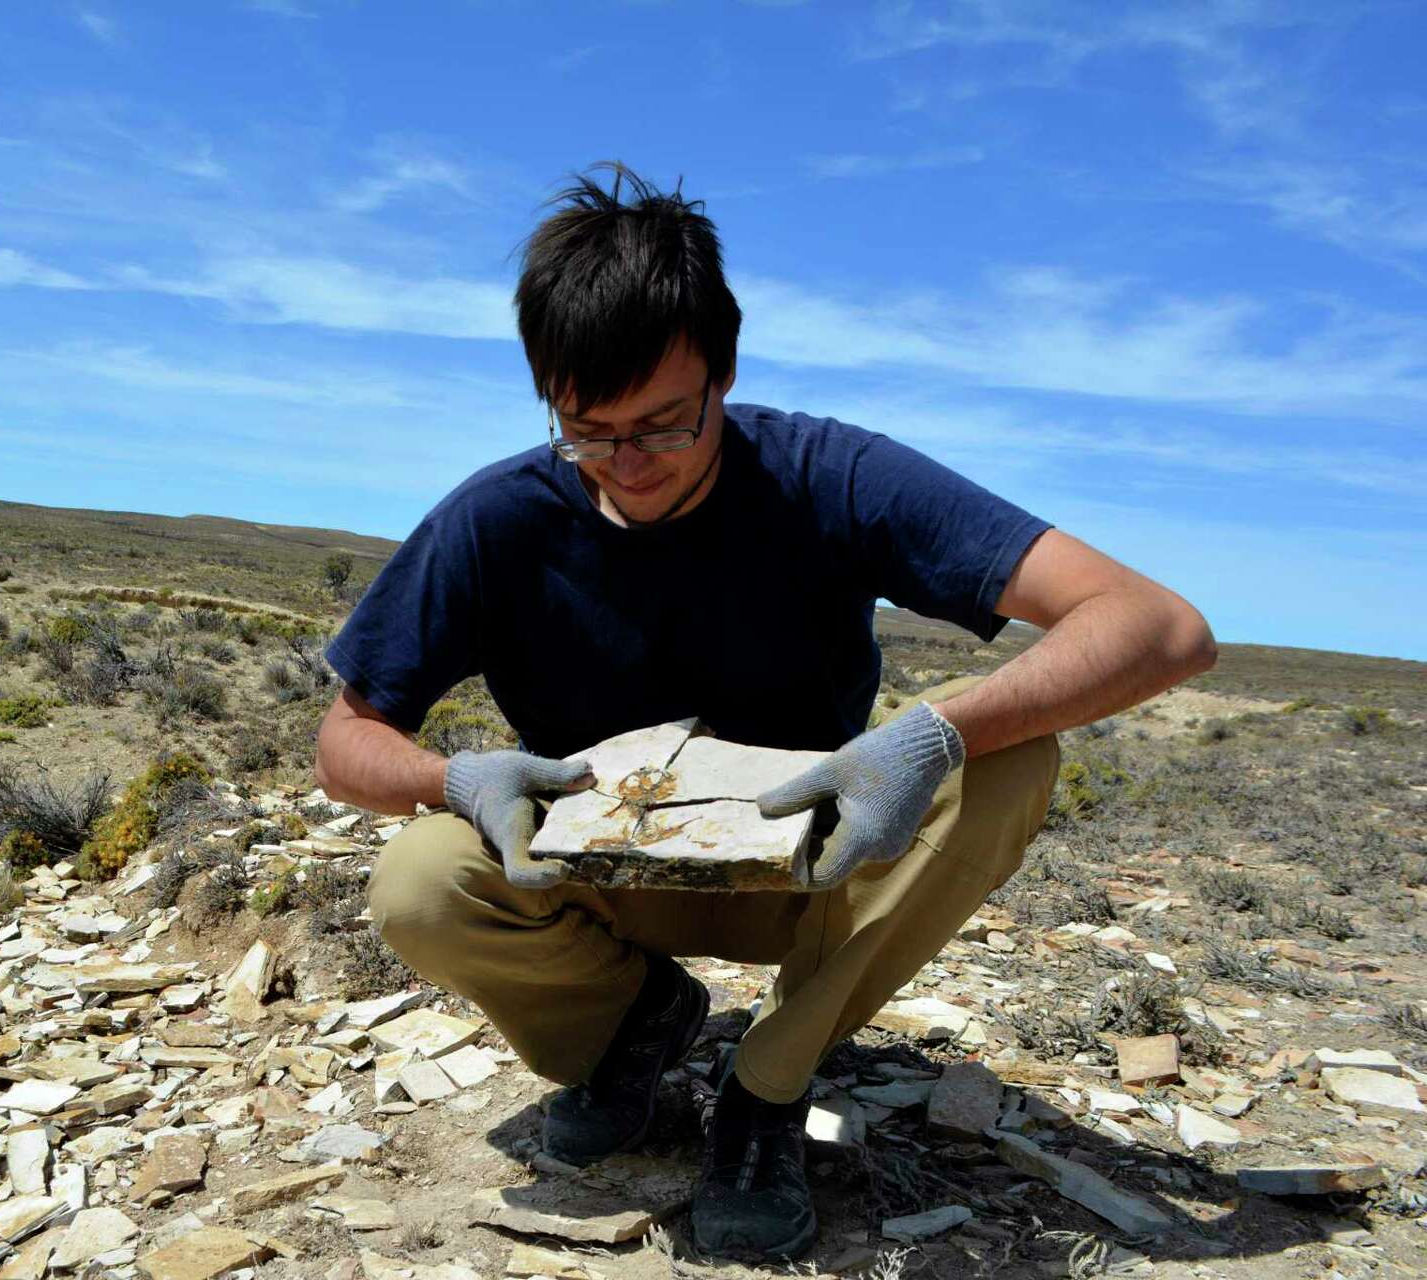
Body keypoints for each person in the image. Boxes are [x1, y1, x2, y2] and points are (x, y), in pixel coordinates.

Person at [313, 163, 1215, 1261]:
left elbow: (1157, 623)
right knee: (418, 879)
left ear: (725, 372)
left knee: (1013, 759)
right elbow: (346, 738)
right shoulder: (499, 517)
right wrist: (455, 778)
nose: (628, 466)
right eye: (588, 431)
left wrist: (934, 733)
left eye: (664, 425)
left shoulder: (828, 473)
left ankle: (765, 1086)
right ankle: (630, 1020)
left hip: (804, 871)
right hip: (604, 878)